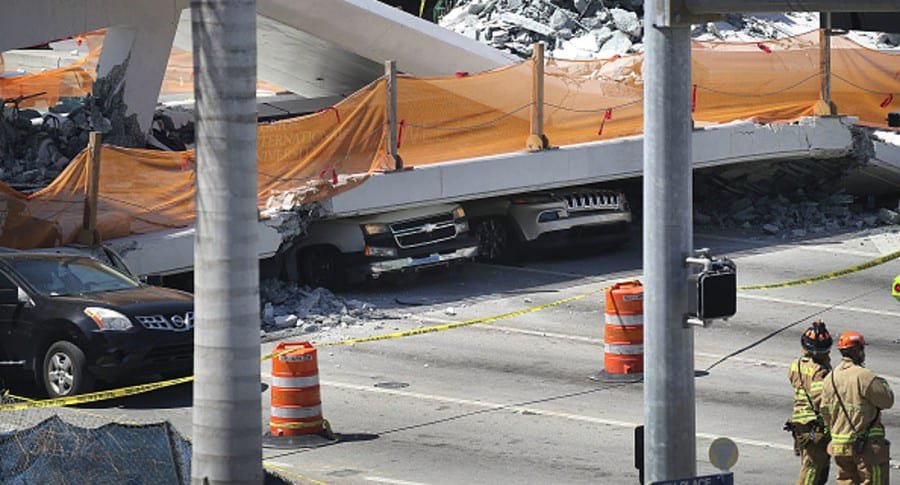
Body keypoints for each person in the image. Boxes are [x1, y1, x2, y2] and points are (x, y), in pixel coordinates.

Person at [822, 331, 894, 485]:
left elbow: (825, 411)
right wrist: (883, 383)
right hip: (865, 447)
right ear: (857, 351)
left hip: (840, 447)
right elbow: (887, 400)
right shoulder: (864, 376)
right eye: (861, 349)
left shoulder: (830, 378)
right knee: (874, 481)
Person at [786, 319, 833, 485]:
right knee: (813, 467)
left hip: (799, 423)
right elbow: (820, 401)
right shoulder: (820, 371)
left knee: (810, 464)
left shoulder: (795, 365)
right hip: (814, 425)